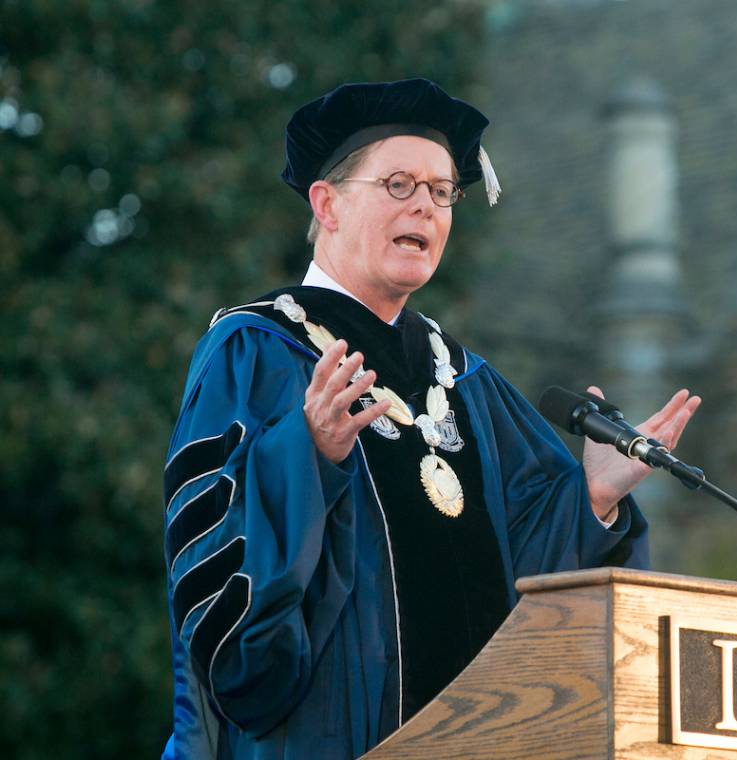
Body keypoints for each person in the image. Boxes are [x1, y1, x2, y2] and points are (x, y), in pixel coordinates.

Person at [161, 78, 700, 759]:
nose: (425, 204)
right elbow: (216, 581)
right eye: (398, 184)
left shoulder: (470, 385)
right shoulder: (255, 353)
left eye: (442, 191)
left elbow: (532, 587)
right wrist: (305, 453)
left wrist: (589, 498)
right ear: (326, 204)